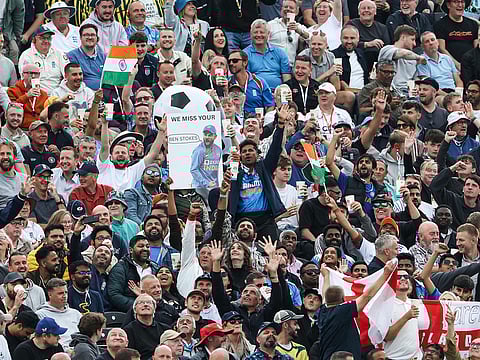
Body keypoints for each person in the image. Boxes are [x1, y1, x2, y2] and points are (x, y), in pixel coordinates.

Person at [315, 260, 396, 360]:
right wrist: (385, 275)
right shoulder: (342, 311)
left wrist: (326, 276)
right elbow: (367, 296)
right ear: (343, 299)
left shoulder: (323, 311)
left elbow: (324, 294)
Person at [108, 235, 161, 312]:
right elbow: (114, 295)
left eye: (147, 246)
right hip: (130, 314)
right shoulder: (121, 268)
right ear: (131, 250)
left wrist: (151, 304)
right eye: (140, 246)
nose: (145, 249)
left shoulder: (155, 267)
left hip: (157, 311)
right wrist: (139, 306)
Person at [383, 270, 428, 359]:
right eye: (398, 277)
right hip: (394, 357)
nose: (403, 279)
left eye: (406, 277)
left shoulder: (415, 303)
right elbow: (387, 337)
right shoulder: (386, 305)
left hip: (416, 357)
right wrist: (406, 317)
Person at [18, 26, 69, 95]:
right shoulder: (27, 55)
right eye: (42, 38)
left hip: (59, 94)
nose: (46, 41)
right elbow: (26, 81)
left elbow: (68, 75)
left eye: (48, 38)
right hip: (37, 95)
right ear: (34, 40)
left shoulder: (59, 53)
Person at [378, 25, 427, 96]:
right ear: (403, 37)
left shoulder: (413, 59)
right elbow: (403, 54)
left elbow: (415, 78)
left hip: (408, 93)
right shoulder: (387, 49)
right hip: (390, 91)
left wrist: (416, 87)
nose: (414, 44)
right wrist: (419, 58)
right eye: (412, 39)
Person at [243, 19, 291, 90]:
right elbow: (245, 80)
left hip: (277, 92)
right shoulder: (245, 54)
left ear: (268, 34)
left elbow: (286, 77)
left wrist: (285, 91)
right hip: (256, 92)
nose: (259, 35)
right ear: (250, 34)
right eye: (255, 32)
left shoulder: (280, 52)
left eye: (262, 32)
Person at [430, 162, 480, 228]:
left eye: (474, 185)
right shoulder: (452, 199)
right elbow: (435, 186)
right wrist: (452, 169)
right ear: (463, 189)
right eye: (467, 184)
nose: (470, 187)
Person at [36, 278, 83, 348]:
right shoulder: (40, 314)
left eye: (66, 292)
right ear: (50, 295)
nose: (64, 296)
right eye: (60, 293)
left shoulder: (76, 314)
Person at [433, 0, 479, 70]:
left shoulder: (473, 24)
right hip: (450, 66)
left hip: (472, 65)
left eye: (462, 2)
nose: (460, 5)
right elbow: (442, 49)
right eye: (456, 2)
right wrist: (457, 65)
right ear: (448, 5)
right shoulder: (440, 25)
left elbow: (477, 48)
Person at [347, 0, 390, 72]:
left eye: (369, 8)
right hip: (357, 61)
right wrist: (367, 44)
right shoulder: (351, 25)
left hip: (378, 63)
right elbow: (348, 44)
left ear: (375, 12)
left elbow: (387, 47)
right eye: (363, 8)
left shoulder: (382, 28)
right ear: (358, 12)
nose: (366, 10)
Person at [227, 50, 275, 115]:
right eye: (229, 61)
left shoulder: (259, 82)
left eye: (235, 61)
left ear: (245, 62)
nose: (231, 63)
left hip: (255, 122)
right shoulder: (227, 83)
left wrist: (266, 119)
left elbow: (270, 105)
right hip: (235, 122)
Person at [123, 294, 169, 360]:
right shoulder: (128, 330)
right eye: (141, 302)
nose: (145, 304)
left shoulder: (165, 329)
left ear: (154, 309)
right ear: (135, 309)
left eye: (149, 302)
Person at [267, 0, 310, 66]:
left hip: (290, 66)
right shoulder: (270, 25)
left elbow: (311, 39)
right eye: (285, 7)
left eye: (291, 8)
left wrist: (298, 31)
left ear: (297, 12)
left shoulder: (299, 27)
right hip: (272, 64)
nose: (288, 9)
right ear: (281, 10)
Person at [66, 24, 107, 91]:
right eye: (86, 35)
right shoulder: (71, 56)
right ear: (80, 37)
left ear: (97, 38)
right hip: (83, 94)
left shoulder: (103, 57)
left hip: (104, 93)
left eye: (93, 35)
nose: (90, 37)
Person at [7, 65, 48, 131]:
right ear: (23, 75)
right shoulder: (12, 90)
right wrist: (26, 96)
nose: (33, 76)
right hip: (20, 128)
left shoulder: (43, 94)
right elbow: (12, 109)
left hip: (38, 128)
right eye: (30, 73)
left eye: (36, 74)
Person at [331, 25, 369, 91]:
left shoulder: (362, 54)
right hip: (345, 94)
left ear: (358, 39)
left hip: (363, 93)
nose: (349, 41)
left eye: (352, 38)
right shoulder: (333, 55)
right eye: (346, 38)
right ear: (340, 38)